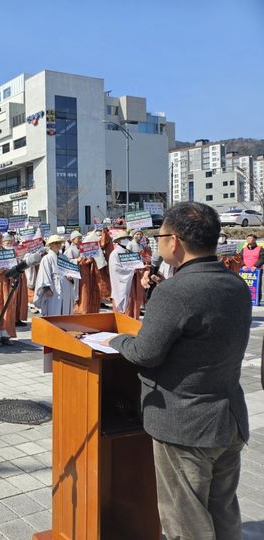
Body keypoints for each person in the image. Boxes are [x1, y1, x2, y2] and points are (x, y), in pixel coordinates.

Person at [108, 202, 251, 540]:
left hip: (186, 424)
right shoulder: (236, 285)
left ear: (175, 241)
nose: (157, 243)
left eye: (159, 236)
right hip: (228, 417)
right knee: (223, 512)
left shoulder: (177, 292)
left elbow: (145, 352)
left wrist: (116, 341)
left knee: (186, 523)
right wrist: (161, 290)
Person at [34, 235, 77, 316]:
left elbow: (69, 270)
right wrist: (46, 288)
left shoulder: (64, 257)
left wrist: (71, 277)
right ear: (50, 245)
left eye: (59, 243)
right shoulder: (47, 258)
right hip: (54, 287)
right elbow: (44, 274)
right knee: (54, 309)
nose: (57, 245)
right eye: (55, 243)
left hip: (66, 286)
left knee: (65, 308)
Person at [109, 230, 144, 318]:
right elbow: (116, 269)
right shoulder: (115, 254)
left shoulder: (128, 252)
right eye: (124, 238)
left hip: (131, 281)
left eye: (128, 238)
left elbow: (134, 264)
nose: (127, 240)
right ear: (118, 241)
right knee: (124, 306)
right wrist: (132, 270)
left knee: (131, 303)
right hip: (122, 283)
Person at [69, 231, 101, 313]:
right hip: (77, 274)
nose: (80, 239)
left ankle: (86, 309)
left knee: (86, 291)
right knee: (80, 292)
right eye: (78, 238)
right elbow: (67, 261)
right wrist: (77, 260)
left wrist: (91, 259)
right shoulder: (70, 250)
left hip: (86, 273)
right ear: (72, 240)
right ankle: (79, 310)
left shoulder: (83, 247)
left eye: (80, 238)